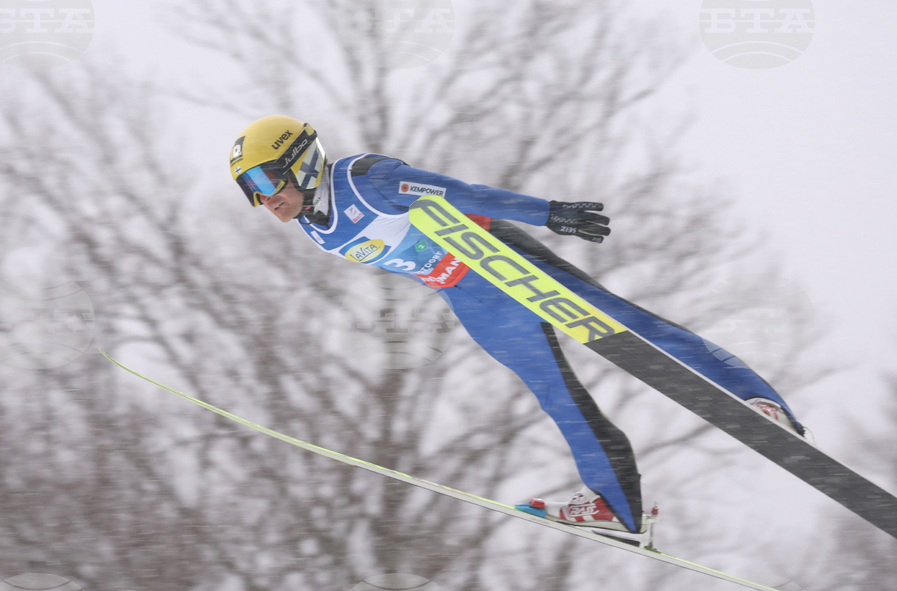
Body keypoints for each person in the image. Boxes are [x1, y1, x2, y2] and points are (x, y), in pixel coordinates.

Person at [230, 115, 808, 534]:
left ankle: (758, 400)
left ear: (300, 161)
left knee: (630, 328)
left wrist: (550, 213)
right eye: (249, 191)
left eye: (264, 182)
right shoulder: (315, 226)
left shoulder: (365, 180)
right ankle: (617, 505)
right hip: (467, 294)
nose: (263, 201)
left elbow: (464, 194)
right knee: (555, 393)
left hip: (497, 256)